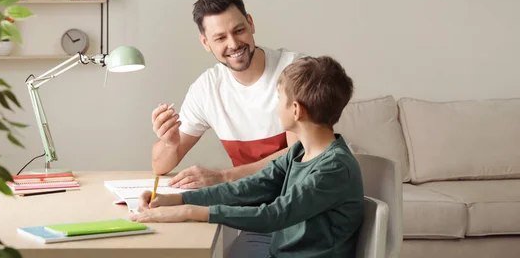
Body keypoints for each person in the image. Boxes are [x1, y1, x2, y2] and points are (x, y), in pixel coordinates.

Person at [133, 56, 365, 258]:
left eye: (278, 98)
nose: (276, 107)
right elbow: (250, 188)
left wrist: (189, 212)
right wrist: (176, 200)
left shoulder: (333, 169)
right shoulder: (300, 152)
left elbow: (275, 214)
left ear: (296, 110)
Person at [151, 0, 305, 188]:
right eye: (220, 38)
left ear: (251, 23)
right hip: (248, 197)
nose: (233, 44)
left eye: (239, 30)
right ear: (205, 43)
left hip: (296, 191)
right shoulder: (207, 89)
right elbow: (159, 167)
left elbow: (298, 155)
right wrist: (171, 144)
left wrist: (224, 177)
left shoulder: (295, 70)